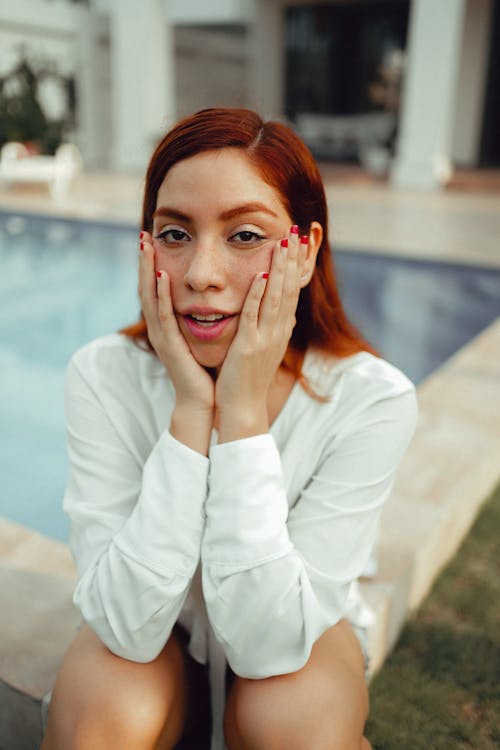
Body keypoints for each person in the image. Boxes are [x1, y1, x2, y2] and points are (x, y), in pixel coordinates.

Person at [41, 108, 417, 750]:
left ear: (305, 249)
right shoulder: (103, 377)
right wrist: (192, 412)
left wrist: (240, 416)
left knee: (297, 723)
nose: (199, 275)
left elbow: (272, 644)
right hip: (162, 631)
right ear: (146, 242)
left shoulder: (370, 399)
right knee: (100, 714)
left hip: (299, 631)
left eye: (244, 235)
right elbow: (126, 626)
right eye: (174, 233)